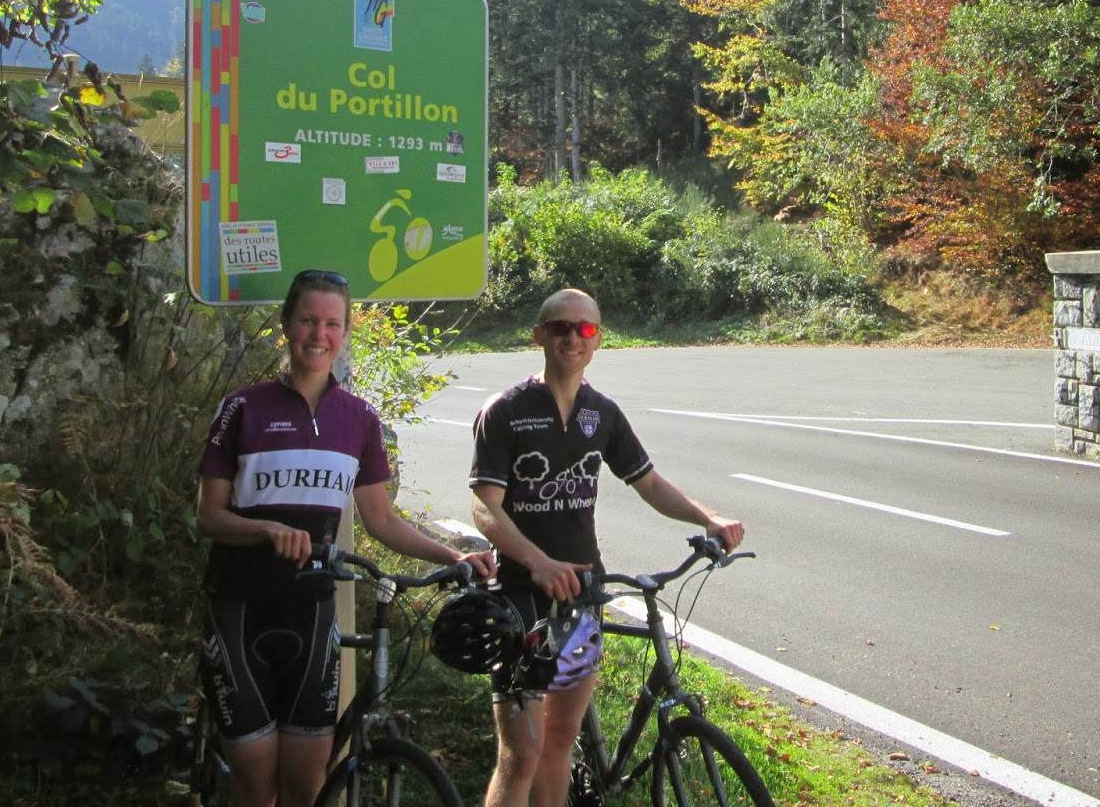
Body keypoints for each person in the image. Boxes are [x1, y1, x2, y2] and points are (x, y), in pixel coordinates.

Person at [196, 269, 496, 807]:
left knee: (306, 786)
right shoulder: (242, 408)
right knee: (255, 784)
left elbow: (381, 519)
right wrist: (266, 529)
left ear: (345, 330)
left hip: (312, 612)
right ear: (286, 324)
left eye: (332, 324)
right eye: (308, 320)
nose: (319, 335)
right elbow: (209, 517)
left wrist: (453, 555)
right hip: (239, 608)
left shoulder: (359, 419)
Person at [469, 288, 745, 807]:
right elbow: (485, 506)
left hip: (582, 599)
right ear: (540, 335)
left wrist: (708, 518)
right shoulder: (505, 410)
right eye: (560, 327)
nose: (573, 338)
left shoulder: (603, 413)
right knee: (521, 755)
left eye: (586, 329)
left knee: (559, 741)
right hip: (522, 600)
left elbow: (649, 483)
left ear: (598, 339)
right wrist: (537, 562)